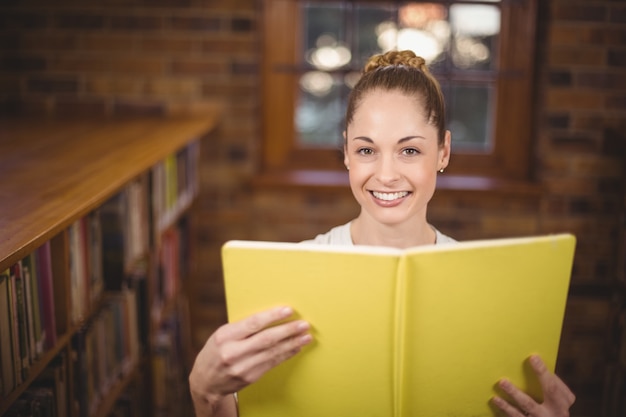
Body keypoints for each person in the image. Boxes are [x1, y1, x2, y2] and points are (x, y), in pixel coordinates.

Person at [188, 50, 576, 417]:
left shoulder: (489, 286)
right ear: (345, 152)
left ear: (443, 152)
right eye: (366, 150)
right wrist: (204, 393)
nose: (386, 174)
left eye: (409, 151)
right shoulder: (292, 276)